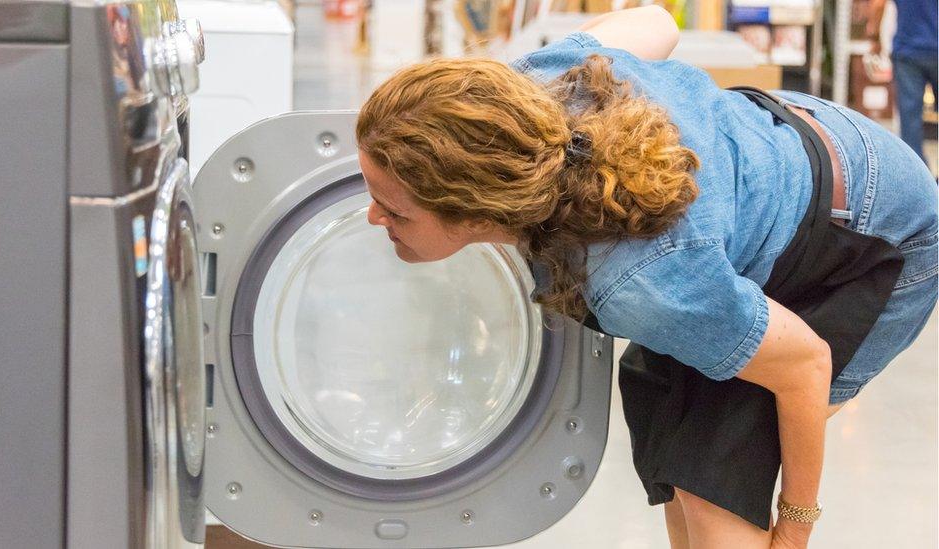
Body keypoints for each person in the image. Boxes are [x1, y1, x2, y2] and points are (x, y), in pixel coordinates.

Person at [355, 6, 938, 548]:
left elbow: (806, 368)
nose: (371, 216)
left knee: (713, 467)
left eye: (395, 210)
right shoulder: (532, 94)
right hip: (787, 150)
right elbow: (658, 21)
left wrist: (793, 528)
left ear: (482, 211)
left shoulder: (640, 281)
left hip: (880, 232)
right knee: (669, 420)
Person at [867, 0, 938, 162]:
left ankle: (918, 176)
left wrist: (874, 38)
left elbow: (878, 5)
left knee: (909, 121)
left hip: (907, 52)